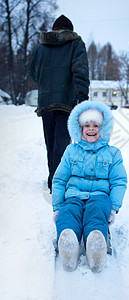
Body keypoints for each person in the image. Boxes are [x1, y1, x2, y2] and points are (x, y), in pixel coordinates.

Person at [52, 100, 127, 272]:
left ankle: (96, 246)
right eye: (87, 125)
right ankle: (68, 242)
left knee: (96, 214)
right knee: (68, 212)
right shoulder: (71, 151)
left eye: (96, 125)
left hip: (100, 196)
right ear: (79, 129)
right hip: (73, 195)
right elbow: (60, 179)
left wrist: (114, 207)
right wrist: (57, 206)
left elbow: (119, 181)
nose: (91, 129)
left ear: (104, 128)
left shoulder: (113, 153)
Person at [28, 15, 89, 192]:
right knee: (62, 143)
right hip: (66, 101)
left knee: (51, 143)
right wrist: (81, 95)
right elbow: (81, 71)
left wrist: (45, 85)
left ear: (54, 29)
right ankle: (57, 182)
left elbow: (32, 72)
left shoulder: (41, 47)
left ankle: (53, 178)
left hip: (45, 102)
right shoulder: (75, 43)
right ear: (69, 29)